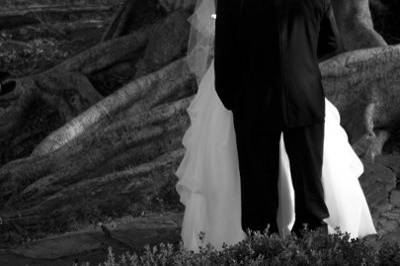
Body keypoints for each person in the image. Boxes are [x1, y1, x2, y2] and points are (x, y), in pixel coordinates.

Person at [174, 0, 377, 252]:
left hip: (253, 101)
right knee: (310, 186)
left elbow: (225, 59)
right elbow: (330, 43)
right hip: (304, 96)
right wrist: (298, 56)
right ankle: (314, 249)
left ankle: (264, 249)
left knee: (258, 189)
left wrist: (234, 101)